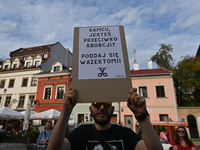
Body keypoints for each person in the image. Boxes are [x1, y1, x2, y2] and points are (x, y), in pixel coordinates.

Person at [48, 86, 163, 150]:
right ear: (90, 110)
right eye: (97, 104)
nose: (102, 108)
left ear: (112, 110)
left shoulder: (125, 134)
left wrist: (142, 117)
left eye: (107, 104)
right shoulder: (81, 133)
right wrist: (65, 112)